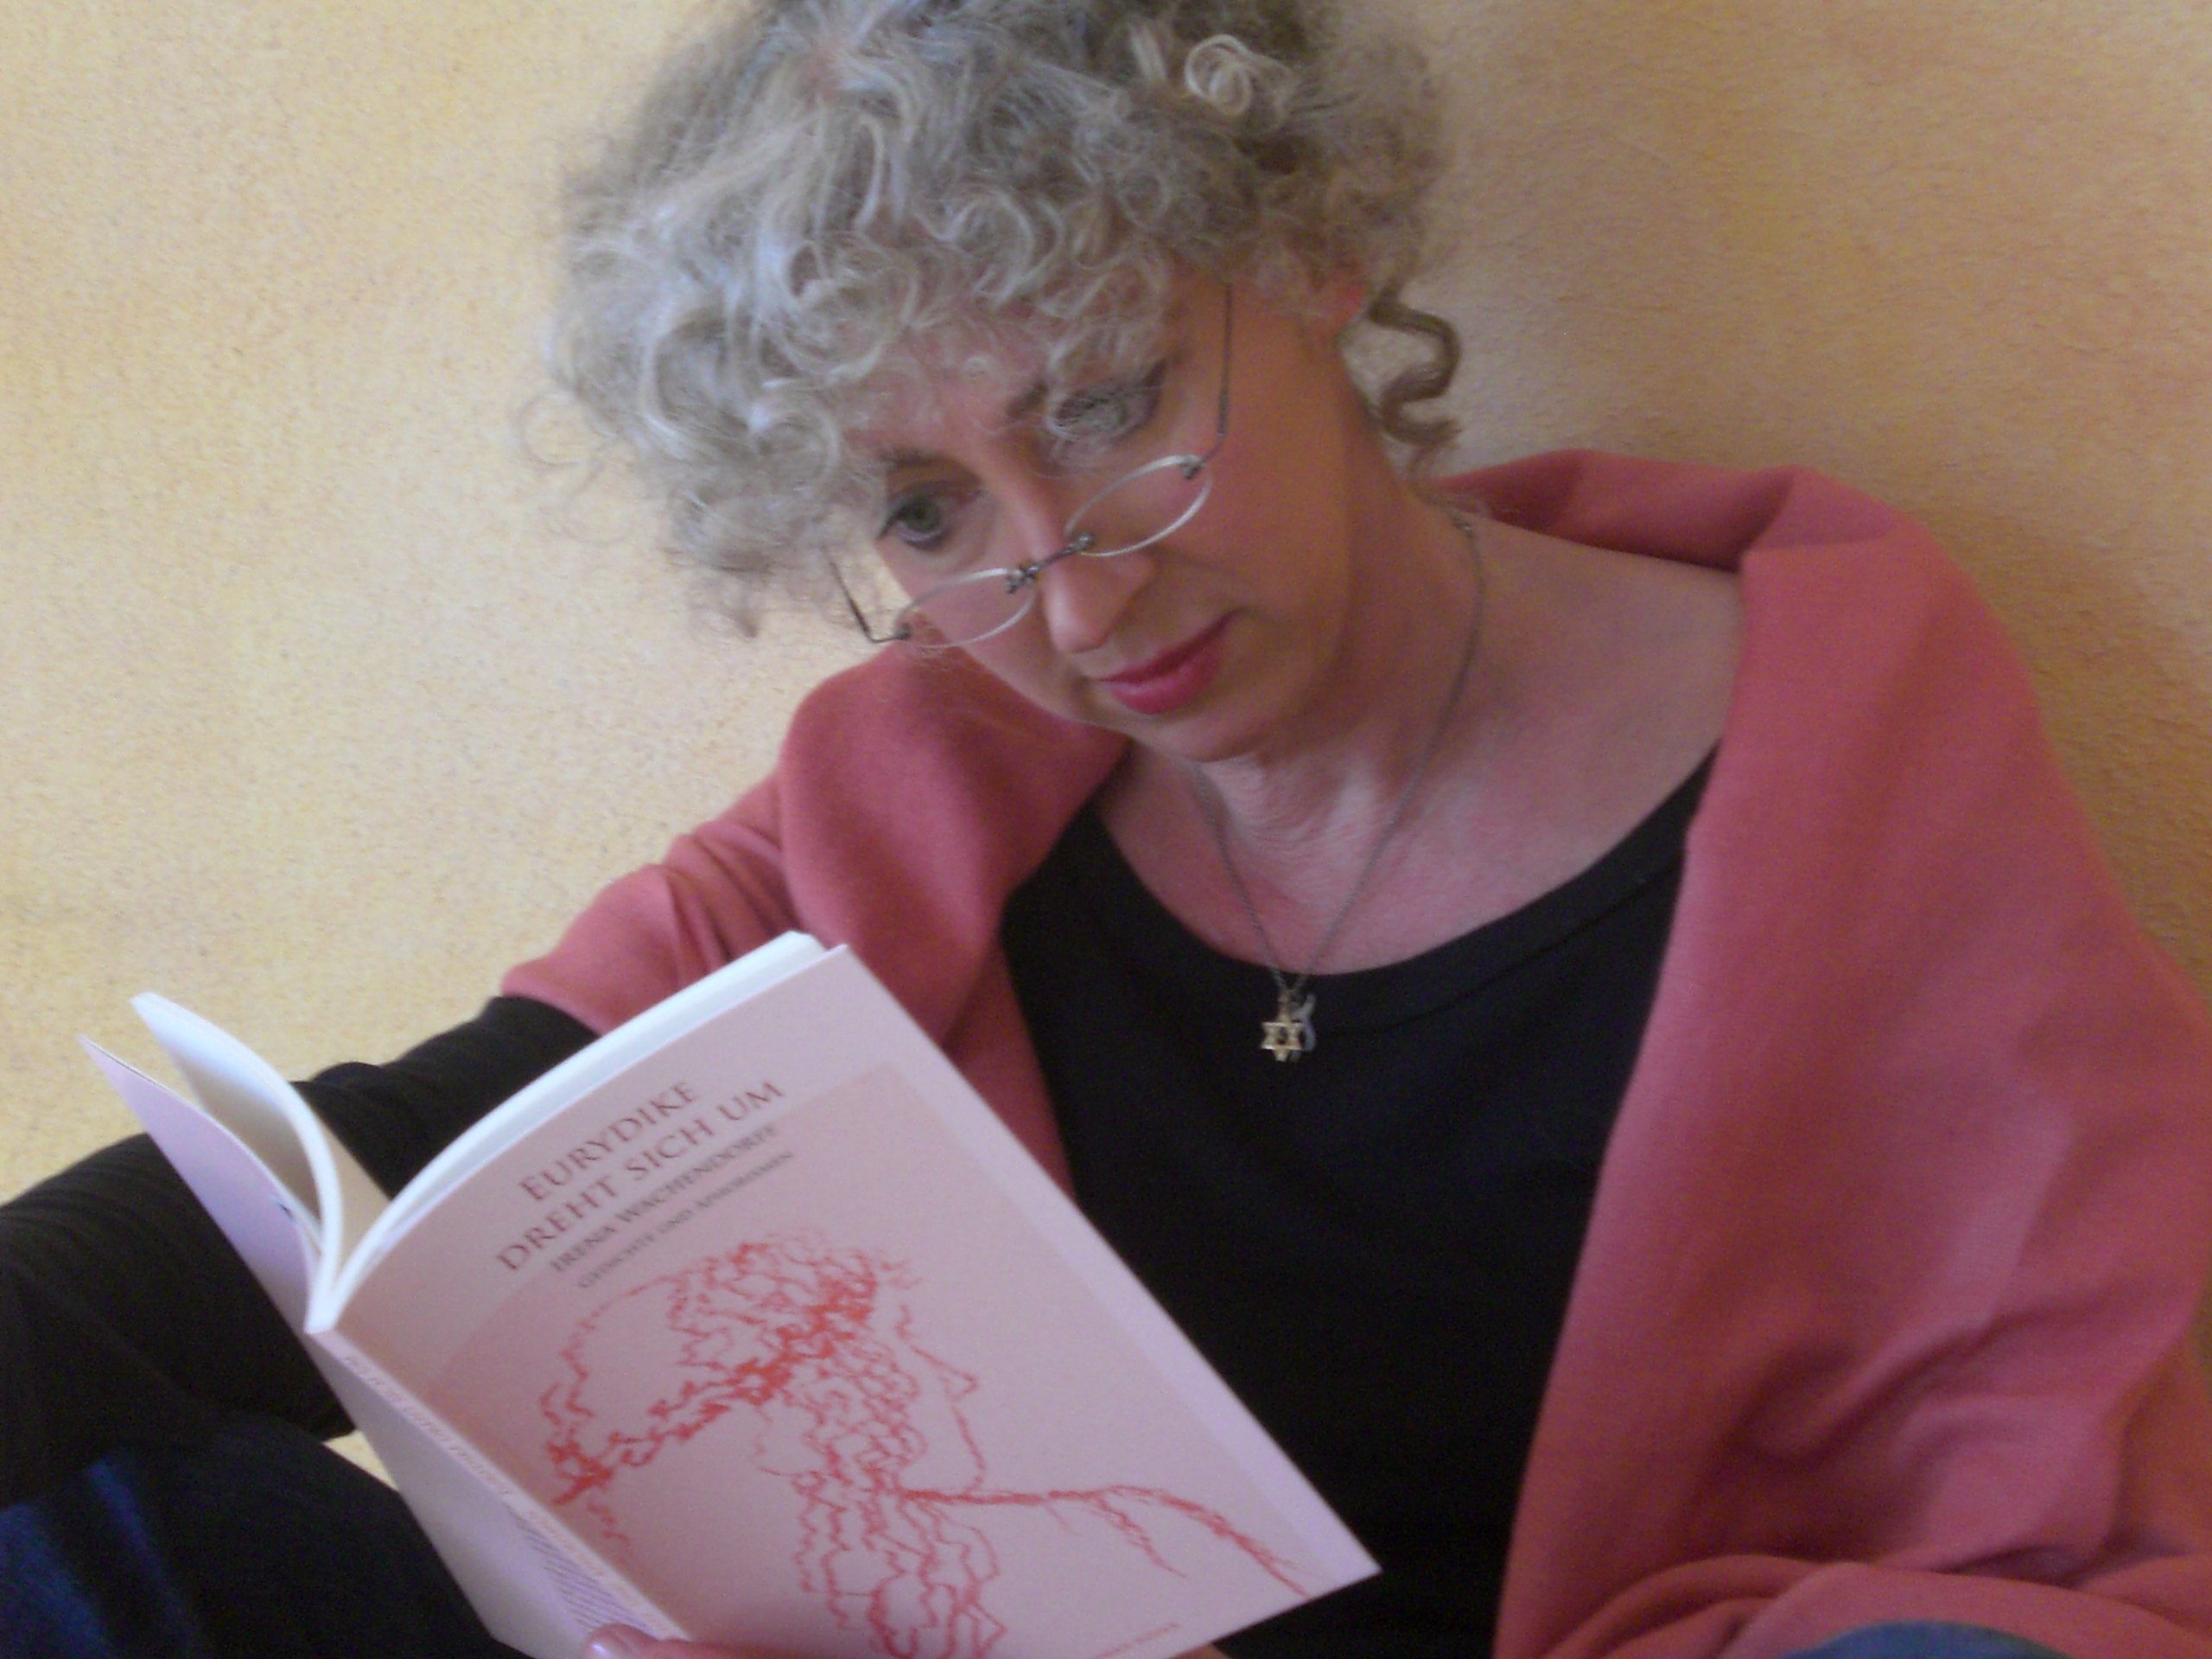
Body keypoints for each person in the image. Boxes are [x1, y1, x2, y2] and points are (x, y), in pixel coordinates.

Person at [5, 2, 2212, 1657]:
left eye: (1102, 402)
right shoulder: (915, 800)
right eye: (923, 509)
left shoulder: (1836, 759)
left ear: (1315, 250)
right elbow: (377, 1174)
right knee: (63, 1525)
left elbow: (2042, 1521)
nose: (1069, 597)